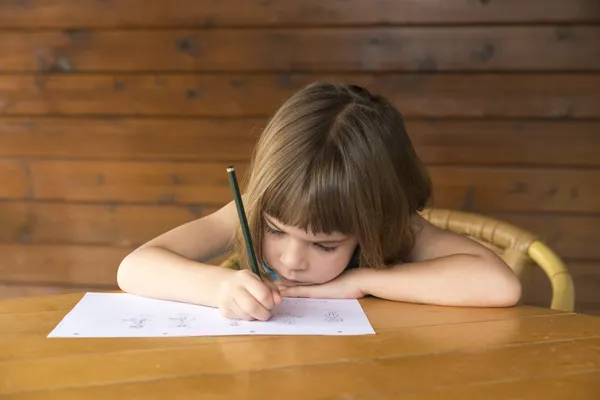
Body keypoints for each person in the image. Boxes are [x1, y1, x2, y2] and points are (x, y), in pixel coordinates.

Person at [117, 82, 521, 321]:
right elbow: (134, 267)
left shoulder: (394, 225)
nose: (291, 260)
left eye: (325, 244)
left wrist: (358, 281)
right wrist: (219, 286)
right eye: (275, 230)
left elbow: (498, 284)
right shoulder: (254, 205)